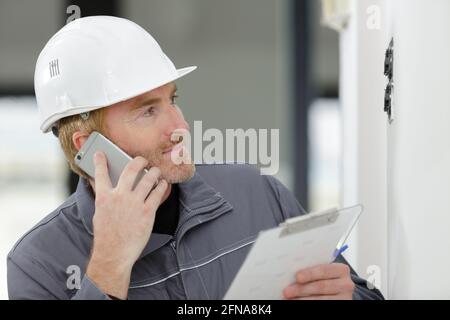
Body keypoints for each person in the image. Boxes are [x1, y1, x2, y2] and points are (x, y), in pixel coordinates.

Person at [7, 16, 383, 300]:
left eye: (172, 100)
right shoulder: (38, 262)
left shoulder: (258, 194)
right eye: (147, 111)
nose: (179, 125)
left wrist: (350, 296)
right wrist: (109, 262)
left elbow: (366, 294)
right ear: (89, 146)